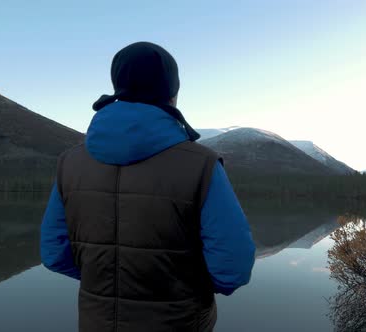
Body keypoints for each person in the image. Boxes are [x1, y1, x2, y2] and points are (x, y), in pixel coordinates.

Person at [39, 41, 256, 332]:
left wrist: (108, 282)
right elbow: (233, 269)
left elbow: (54, 253)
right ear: (172, 93)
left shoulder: (70, 162)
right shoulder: (201, 164)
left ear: (118, 86)